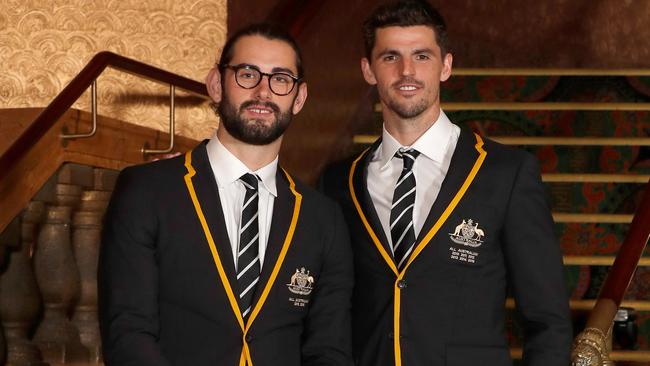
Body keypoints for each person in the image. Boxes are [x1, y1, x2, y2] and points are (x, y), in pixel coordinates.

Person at [321, 1, 572, 365]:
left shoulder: (507, 173)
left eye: (422, 56)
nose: (407, 71)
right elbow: (329, 315)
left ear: (446, 66)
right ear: (368, 70)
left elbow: (547, 320)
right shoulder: (337, 182)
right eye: (390, 57)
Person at [99, 23, 354, 366]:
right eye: (248, 74)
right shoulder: (147, 191)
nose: (263, 92)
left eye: (280, 79)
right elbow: (128, 333)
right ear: (217, 85)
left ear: (299, 97)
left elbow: (329, 350)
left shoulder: (323, 218)